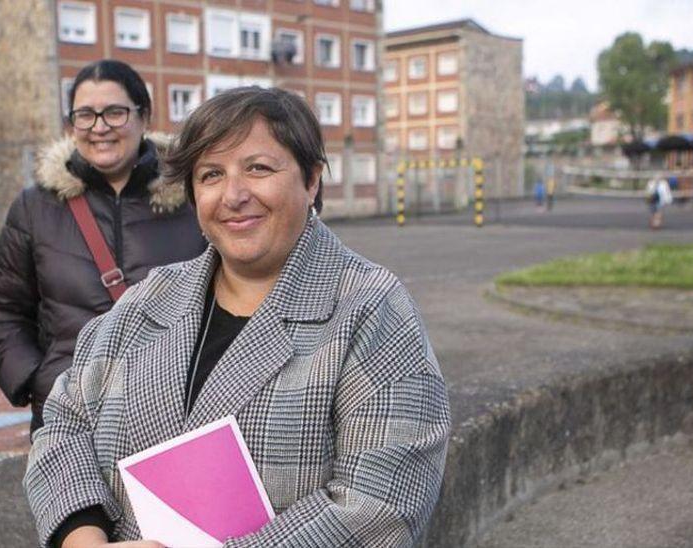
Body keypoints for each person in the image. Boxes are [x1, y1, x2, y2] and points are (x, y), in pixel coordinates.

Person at [25, 87, 450, 548]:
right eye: (211, 175)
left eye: (258, 168)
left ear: (311, 180)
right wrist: (83, 539)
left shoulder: (371, 307)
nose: (233, 195)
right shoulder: (149, 298)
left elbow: (381, 504)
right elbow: (65, 424)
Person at [0, 60, 204, 431]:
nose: (99, 127)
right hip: (70, 416)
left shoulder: (193, 201)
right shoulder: (36, 207)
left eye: (115, 113)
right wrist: (39, 382)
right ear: (72, 124)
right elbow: (2, 307)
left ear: (144, 117)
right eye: (85, 115)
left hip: (174, 414)